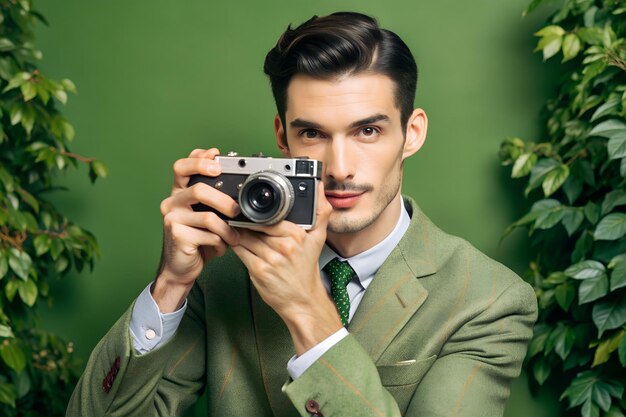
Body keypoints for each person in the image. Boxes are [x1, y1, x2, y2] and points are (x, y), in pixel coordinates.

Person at [67, 11, 537, 417]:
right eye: (312, 134)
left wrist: (307, 310)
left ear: (411, 133)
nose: (340, 168)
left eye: (367, 131)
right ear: (282, 137)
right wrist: (170, 285)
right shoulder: (222, 274)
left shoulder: (487, 299)